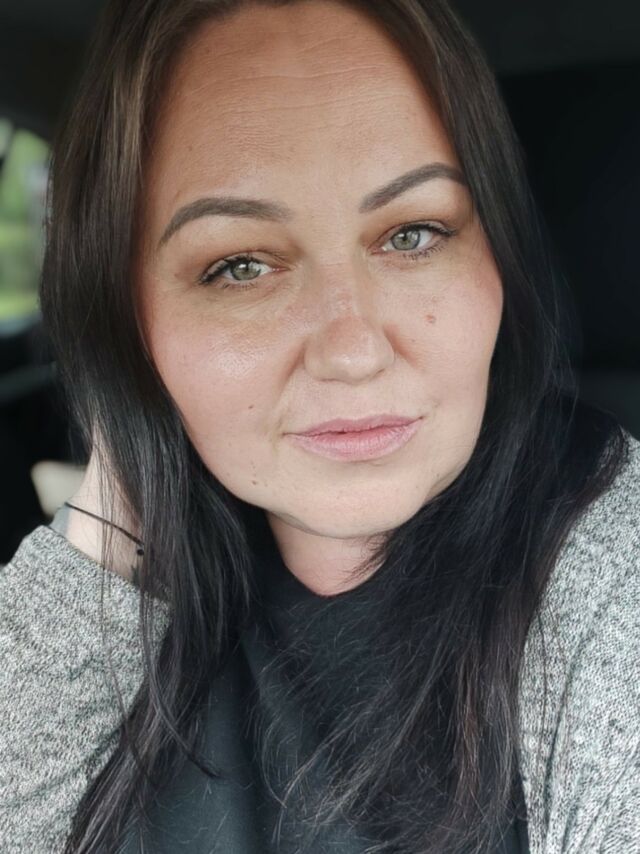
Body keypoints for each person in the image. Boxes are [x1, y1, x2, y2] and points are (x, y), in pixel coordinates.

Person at [1, 0, 638, 852]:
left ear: (497, 259)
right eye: (239, 266)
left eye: (413, 234)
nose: (353, 351)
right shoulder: (142, 584)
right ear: (127, 319)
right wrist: (119, 489)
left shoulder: (610, 590)